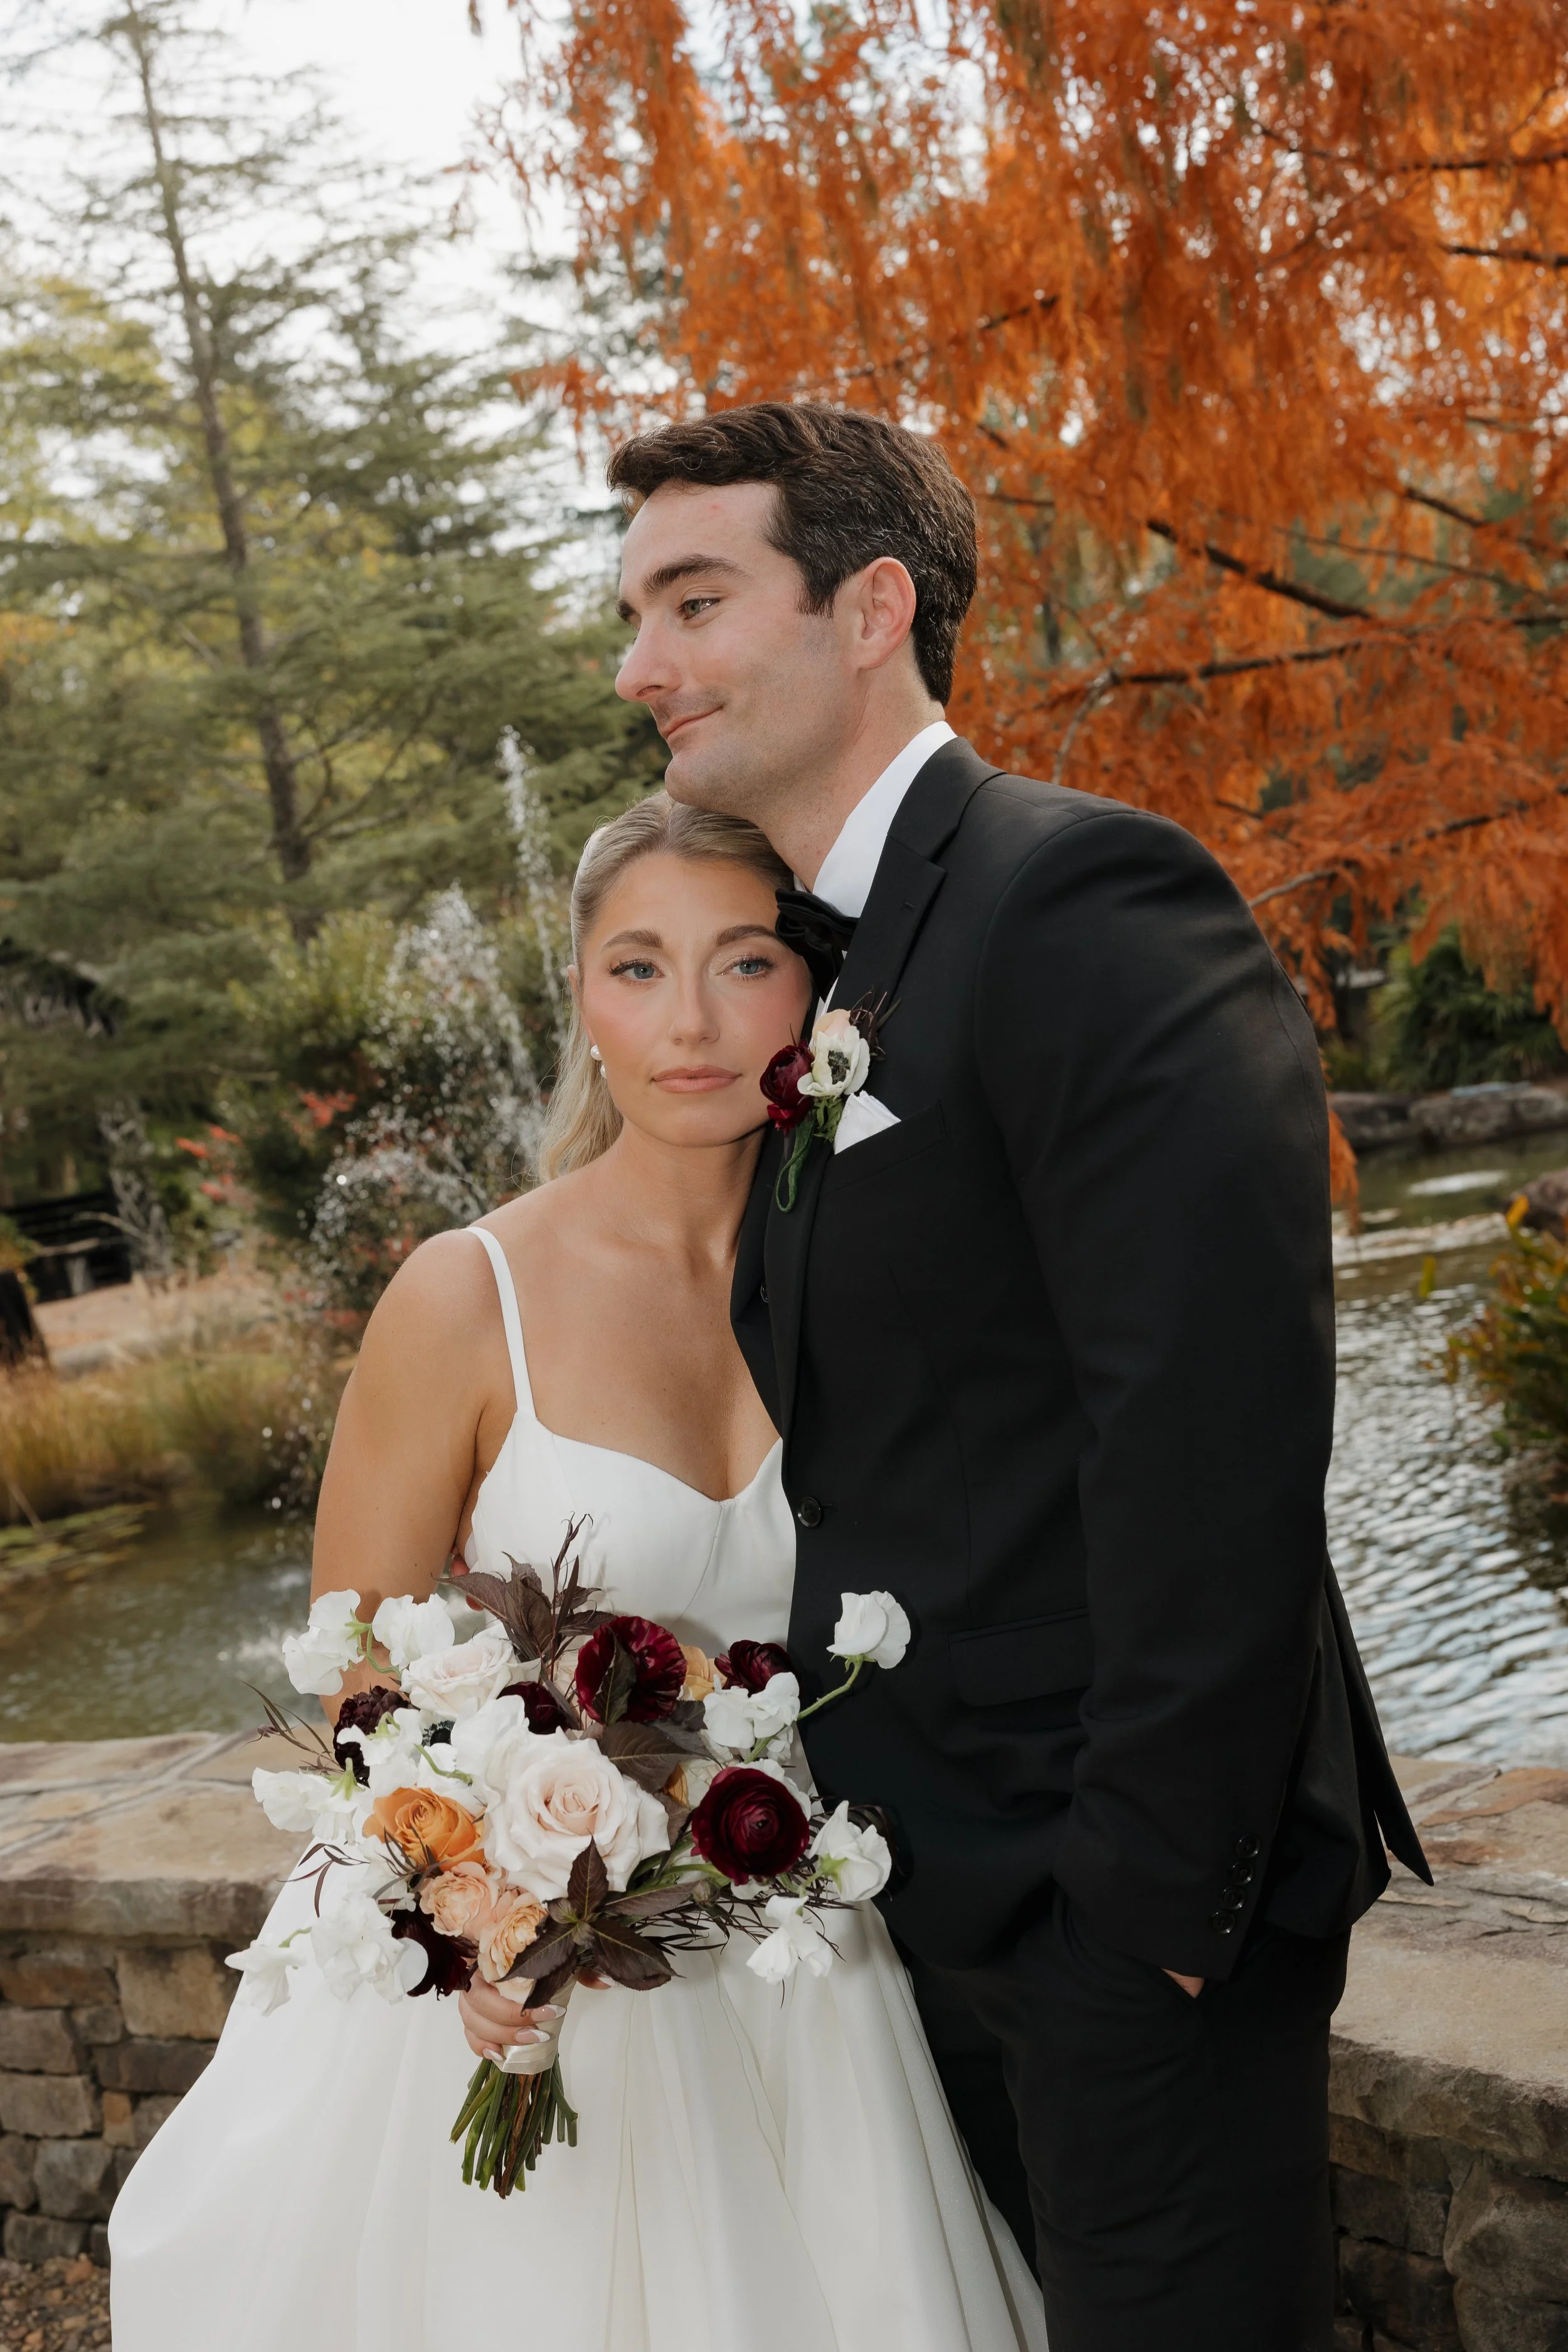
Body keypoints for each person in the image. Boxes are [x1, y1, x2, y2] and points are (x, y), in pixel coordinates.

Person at [605, 401, 1430, 2352]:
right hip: (934, 1903)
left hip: (1122, 1920)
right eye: (635, 611)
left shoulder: (1081, 897)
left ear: (871, 605)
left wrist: (1137, 1931)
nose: (640, 664)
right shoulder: (839, 968)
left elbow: (1210, 1444)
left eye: (694, 599)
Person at [108, 795, 1047, 2352]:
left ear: (813, 999)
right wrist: (483, 1915)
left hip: (786, 1941)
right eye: (635, 967)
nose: (687, 1020)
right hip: (505, 1951)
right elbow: (358, 1665)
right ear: (580, 1004)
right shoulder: (466, 1295)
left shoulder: (873, 1283)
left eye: (743, 963)